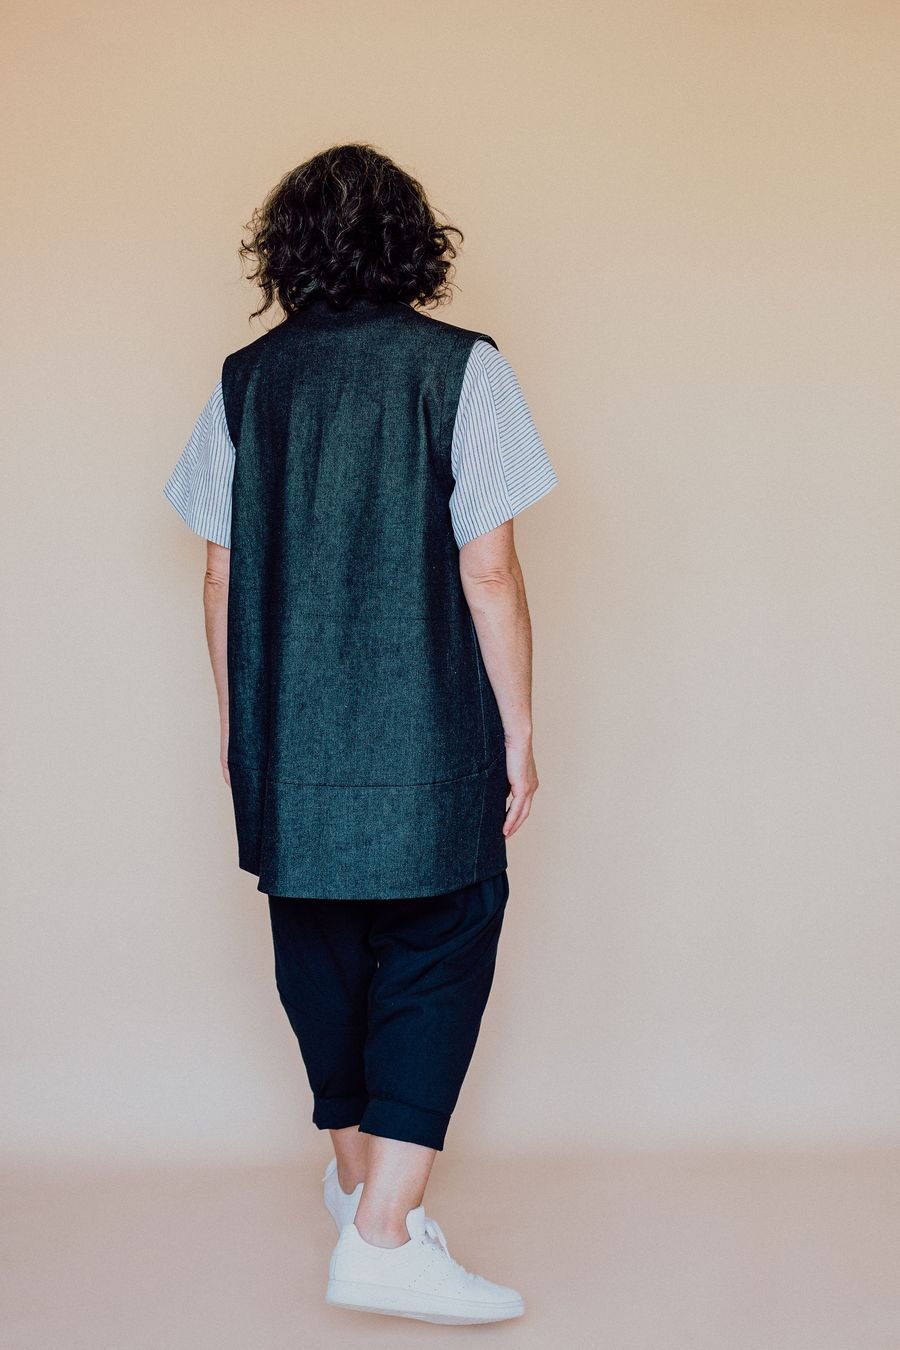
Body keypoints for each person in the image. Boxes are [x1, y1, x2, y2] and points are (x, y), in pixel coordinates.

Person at [163, 142, 557, 1326]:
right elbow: (489, 571)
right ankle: (385, 1233)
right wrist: (520, 727)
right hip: (429, 732)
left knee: (319, 952)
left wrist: (239, 725)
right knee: (443, 939)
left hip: (288, 739)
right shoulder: (461, 369)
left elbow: (219, 572)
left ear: (285, 251)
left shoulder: (245, 382)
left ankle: (355, 1186)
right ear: (414, 246)